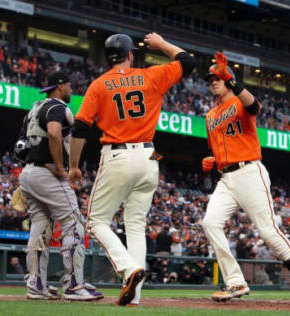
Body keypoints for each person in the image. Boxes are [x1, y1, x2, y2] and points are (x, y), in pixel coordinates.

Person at [69, 32, 196, 306]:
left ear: (108, 58)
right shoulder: (151, 75)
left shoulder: (100, 85)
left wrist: (73, 166)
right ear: (130, 55)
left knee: (96, 222)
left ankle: (128, 270)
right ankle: (135, 296)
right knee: (136, 225)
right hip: (149, 156)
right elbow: (188, 62)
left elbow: (80, 127)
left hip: (117, 155)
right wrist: (162, 43)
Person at [200, 52, 290, 305]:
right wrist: (212, 160)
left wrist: (230, 79)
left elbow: (255, 106)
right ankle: (235, 282)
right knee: (209, 223)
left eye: (216, 78)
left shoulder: (240, 102)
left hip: (249, 172)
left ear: (227, 80)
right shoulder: (209, 116)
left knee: (267, 230)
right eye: (210, 80)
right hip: (226, 178)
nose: (213, 82)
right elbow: (217, 147)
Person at [17, 71, 103, 301]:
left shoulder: (33, 109)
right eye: (69, 86)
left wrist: (32, 168)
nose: (71, 90)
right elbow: (55, 133)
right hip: (47, 174)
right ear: (60, 86)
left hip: (28, 172)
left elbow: (20, 147)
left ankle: (36, 285)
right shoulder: (56, 107)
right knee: (73, 224)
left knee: (40, 227)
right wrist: (59, 167)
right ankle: (74, 284)